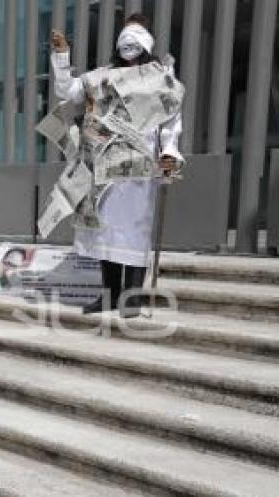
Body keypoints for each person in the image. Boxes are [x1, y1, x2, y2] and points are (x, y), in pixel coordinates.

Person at [50, 14, 184, 318]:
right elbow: (68, 91)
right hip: (105, 164)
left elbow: (170, 121)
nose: (128, 45)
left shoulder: (159, 77)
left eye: (134, 40)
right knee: (106, 232)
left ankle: (133, 297)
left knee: (135, 230)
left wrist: (171, 152)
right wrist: (61, 56)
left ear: (146, 44)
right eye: (124, 39)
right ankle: (109, 295)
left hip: (140, 163)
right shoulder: (102, 76)